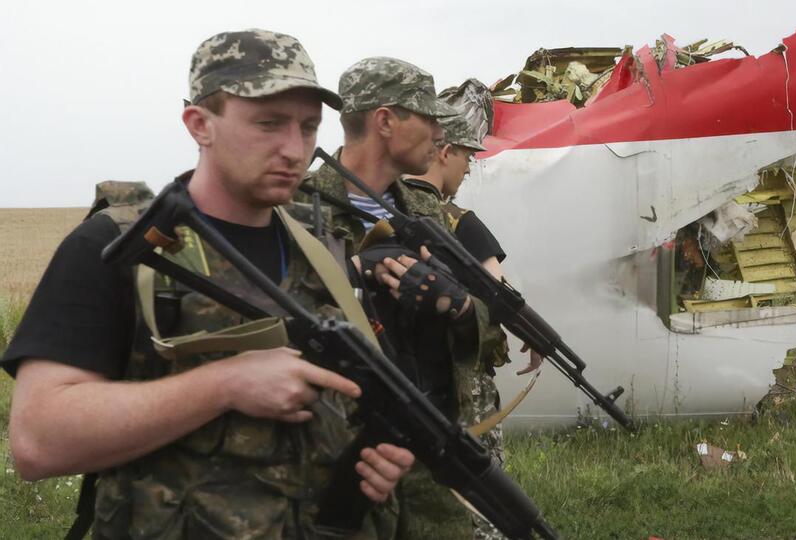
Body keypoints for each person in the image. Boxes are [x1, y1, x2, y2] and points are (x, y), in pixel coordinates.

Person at [1, 29, 414, 539]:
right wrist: (224, 385)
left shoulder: (325, 253)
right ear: (199, 124)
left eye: (309, 128)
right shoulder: (121, 248)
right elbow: (39, 440)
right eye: (269, 123)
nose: (294, 149)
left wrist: (374, 457)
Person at [300, 57, 504, 540]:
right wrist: (352, 275)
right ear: (385, 121)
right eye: (428, 118)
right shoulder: (299, 209)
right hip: (343, 458)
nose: (440, 133)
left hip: (430, 445)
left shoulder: (430, 214)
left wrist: (457, 305)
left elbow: (491, 324)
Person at [401, 111, 544, 540]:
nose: (467, 169)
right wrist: (533, 337)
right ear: (444, 152)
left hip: (404, 376)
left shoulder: (382, 207)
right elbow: (497, 293)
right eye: (466, 158)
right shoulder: (458, 220)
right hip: (463, 376)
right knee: (481, 482)